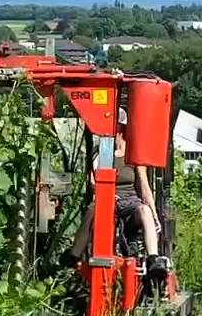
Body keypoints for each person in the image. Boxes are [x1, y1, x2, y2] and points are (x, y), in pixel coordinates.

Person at [65, 109, 170, 277]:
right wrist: (103, 193)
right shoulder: (101, 152)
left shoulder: (132, 153)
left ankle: (153, 259)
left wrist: (153, 212)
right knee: (93, 210)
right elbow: (92, 179)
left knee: (145, 211)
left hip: (130, 202)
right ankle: (72, 258)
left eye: (118, 127)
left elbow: (144, 186)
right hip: (108, 198)